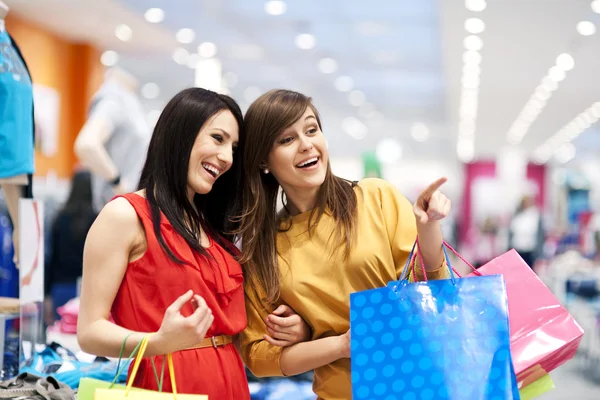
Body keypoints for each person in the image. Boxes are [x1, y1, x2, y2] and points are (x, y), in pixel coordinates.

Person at [77, 88, 309, 399]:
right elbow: (90, 332)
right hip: (166, 386)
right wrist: (157, 342)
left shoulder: (214, 231)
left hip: (232, 385)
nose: (227, 157)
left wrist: (289, 330)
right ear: (180, 134)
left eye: (234, 147)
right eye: (218, 138)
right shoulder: (125, 216)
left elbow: (235, 332)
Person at [236, 89, 452, 399]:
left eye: (312, 130)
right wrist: (337, 344)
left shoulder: (376, 198)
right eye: (287, 139)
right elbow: (258, 356)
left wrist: (428, 226)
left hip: (414, 383)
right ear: (262, 161)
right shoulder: (264, 250)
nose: (307, 144)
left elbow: (437, 289)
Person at [44, 170, 96, 325]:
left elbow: (51, 258)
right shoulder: (97, 219)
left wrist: (46, 293)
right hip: (88, 289)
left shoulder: (60, 219)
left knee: (59, 336)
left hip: (60, 286)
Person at [508, 194, 544, 269]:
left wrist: (539, 254)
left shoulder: (535, 216)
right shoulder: (517, 216)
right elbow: (511, 233)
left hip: (530, 250)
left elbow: (540, 236)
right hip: (517, 248)